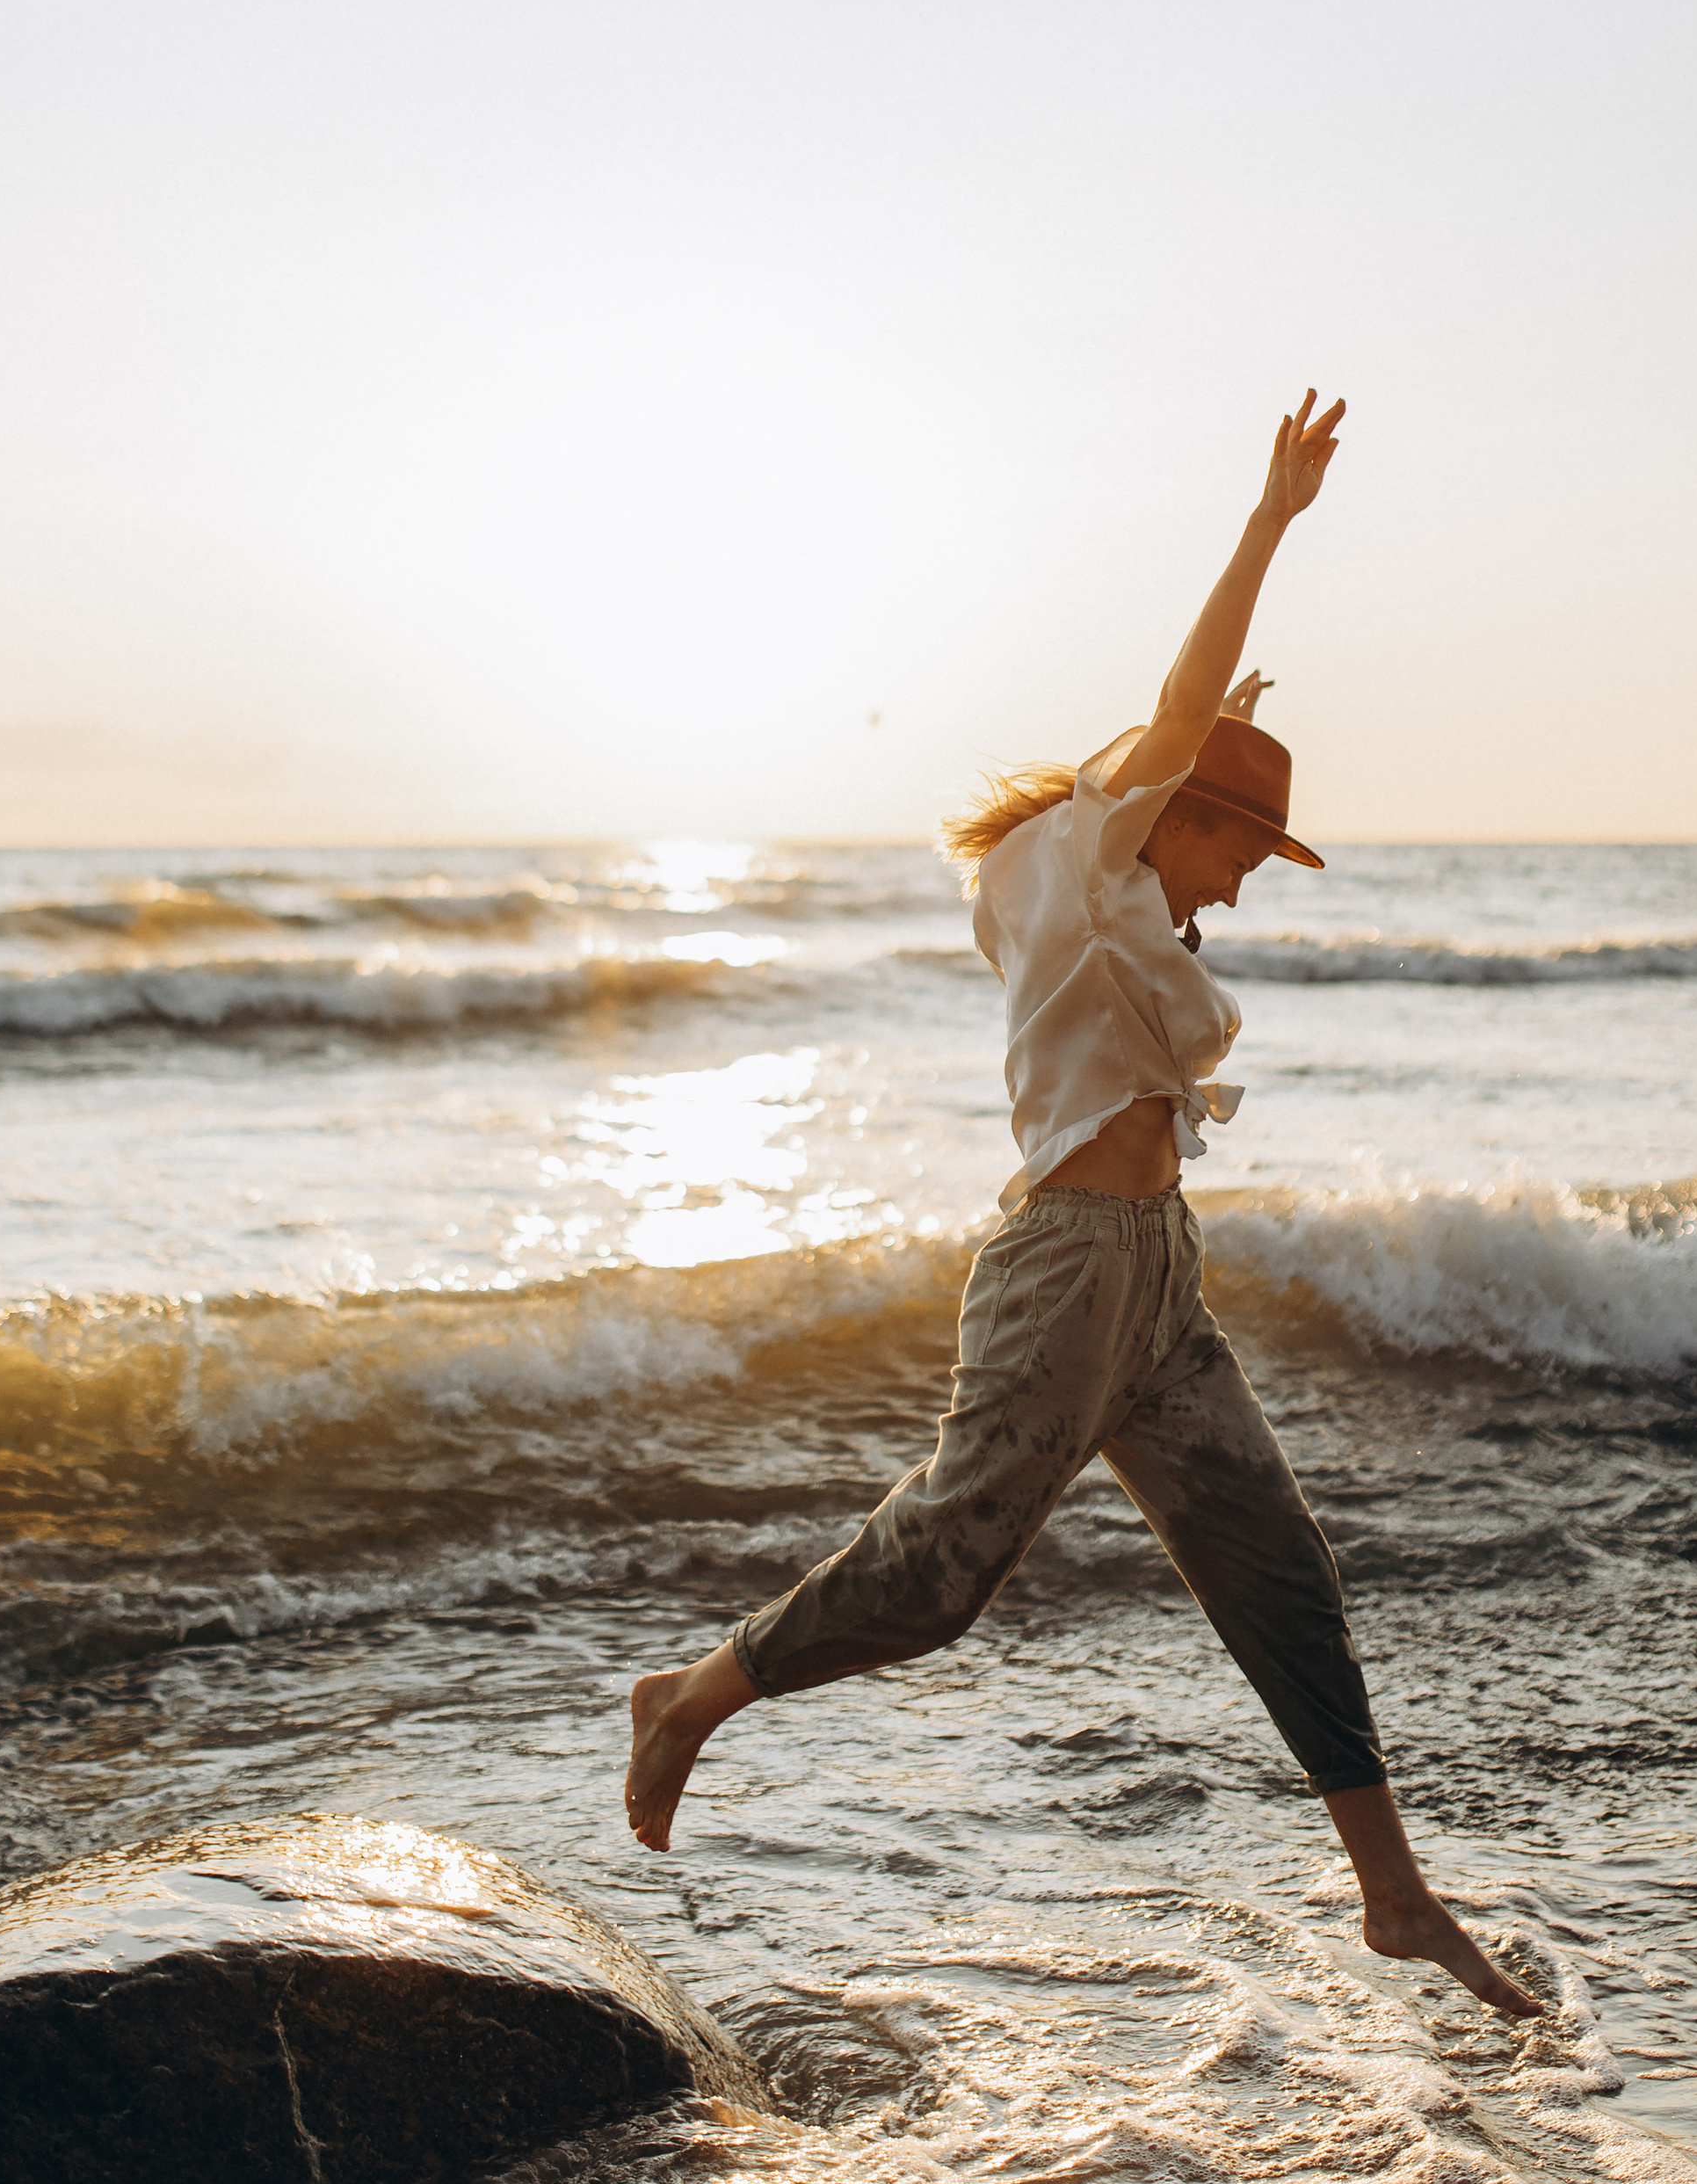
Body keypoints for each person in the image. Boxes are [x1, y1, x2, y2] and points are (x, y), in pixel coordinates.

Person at [627, 392, 1540, 2019]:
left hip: (1158, 1285)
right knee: (941, 1576)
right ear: (1179, 804)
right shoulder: (1087, 846)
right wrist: (1270, 524)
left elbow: (1170, 743)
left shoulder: (1092, 866)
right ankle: (689, 1698)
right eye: (1246, 846)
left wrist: (1202, 732)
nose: (1251, 882)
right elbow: (1170, 719)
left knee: (1279, 1569)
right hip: (1065, 1273)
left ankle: (1393, 1899)